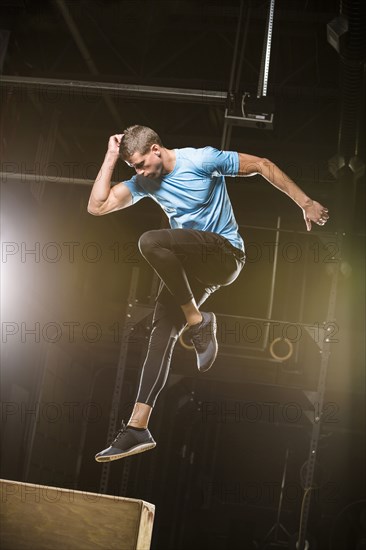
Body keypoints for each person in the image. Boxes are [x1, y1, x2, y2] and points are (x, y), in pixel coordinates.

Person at [87, 125, 329, 462]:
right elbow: (97, 207)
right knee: (160, 335)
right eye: (134, 168)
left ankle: (196, 320)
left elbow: (262, 164)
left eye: (142, 163)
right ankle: (137, 427)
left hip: (225, 255)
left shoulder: (201, 160)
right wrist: (112, 156)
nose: (139, 172)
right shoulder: (144, 182)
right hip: (192, 270)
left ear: (156, 149)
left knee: (150, 242)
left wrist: (304, 202)